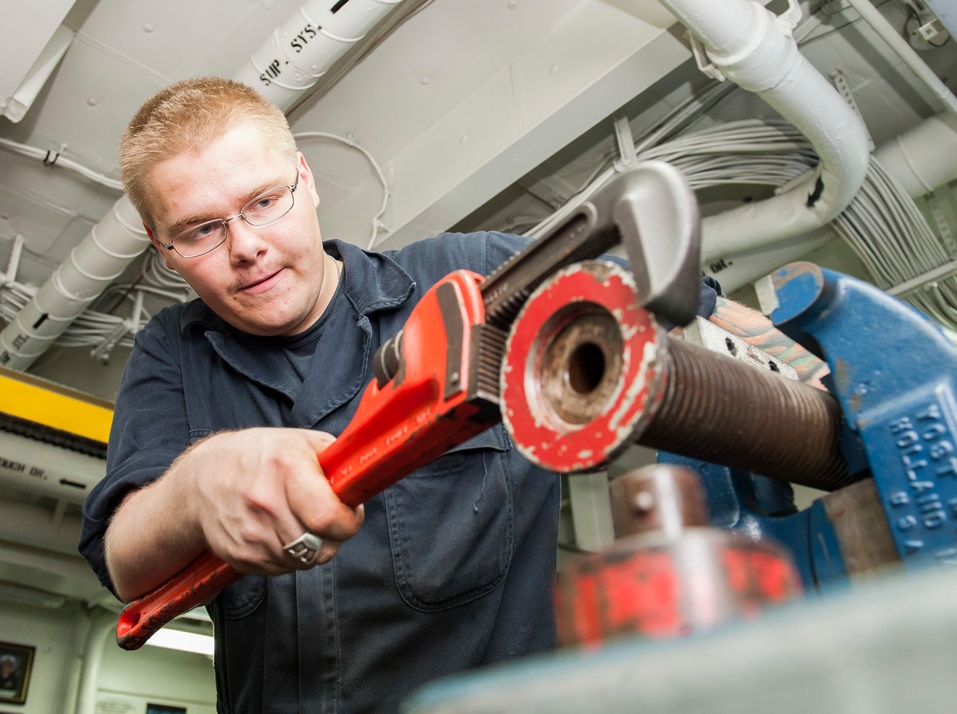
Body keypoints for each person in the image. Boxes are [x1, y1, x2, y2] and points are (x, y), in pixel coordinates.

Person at [79, 77, 721, 713]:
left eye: (266, 200)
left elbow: (692, 296)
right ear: (161, 247)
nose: (246, 246)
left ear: (306, 178)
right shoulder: (172, 351)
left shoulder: (470, 275)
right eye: (199, 231)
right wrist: (199, 486)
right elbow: (125, 564)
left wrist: (788, 353)